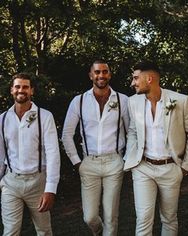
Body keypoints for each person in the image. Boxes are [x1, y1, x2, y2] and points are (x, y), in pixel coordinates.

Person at [123, 61, 188, 236]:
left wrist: (185, 166)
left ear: (149, 79)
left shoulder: (181, 101)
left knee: (169, 217)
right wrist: (131, 158)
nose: (132, 83)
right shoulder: (133, 102)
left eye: (136, 78)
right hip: (143, 168)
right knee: (143, 217)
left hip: (171, 168)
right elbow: (133, 131)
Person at [62, 59, 129, 236]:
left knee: (111, 215)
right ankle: (98, 231)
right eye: (97, 72)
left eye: (105, 72)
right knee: (90, 216)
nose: (101, 75)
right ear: (91, 75)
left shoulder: (123, 100)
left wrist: (126, 159)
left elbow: (132, 132)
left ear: (110, 74)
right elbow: (67, 134)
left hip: (114, 162)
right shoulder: (79, 101)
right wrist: (77, 163)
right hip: (88, 162)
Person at [0, 73, 60, 235]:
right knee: (10, 231)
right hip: (11, 183)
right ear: (12, 90)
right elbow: (0, 155)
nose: (21, 90)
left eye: (25, 87)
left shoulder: (45, 116)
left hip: (37, 182)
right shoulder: (3, 119)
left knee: (44, 230)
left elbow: (53, 154)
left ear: (31, 90)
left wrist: (50, 189)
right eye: (17, 86)